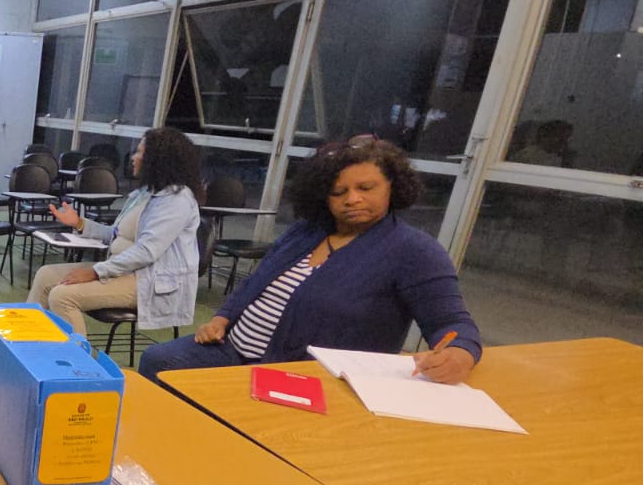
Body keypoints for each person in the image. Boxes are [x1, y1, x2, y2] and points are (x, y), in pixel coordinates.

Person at [138, 137, 481, 385]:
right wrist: (222, 317)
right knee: (158, 360)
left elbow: (454, 325)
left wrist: (461, 353)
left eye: (366, 187)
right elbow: (255, 284)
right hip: (231, 351)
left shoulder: (414, 251)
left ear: (392, 187)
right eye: (339, 192)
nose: (353, 199)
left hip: (299, 374)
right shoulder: (307, 231)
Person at [25, 127, 202, 335]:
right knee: (46, 275)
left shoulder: (176, 200)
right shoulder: (145, 193)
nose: (134, 158)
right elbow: (117, 235)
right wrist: (80, 223)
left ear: (158, 160)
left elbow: (147, 251)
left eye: (140, 153)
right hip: (123, 270)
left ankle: (78, 364)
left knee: (62, 296)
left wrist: (95, 272)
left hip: (148, 281)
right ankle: (27, 339)